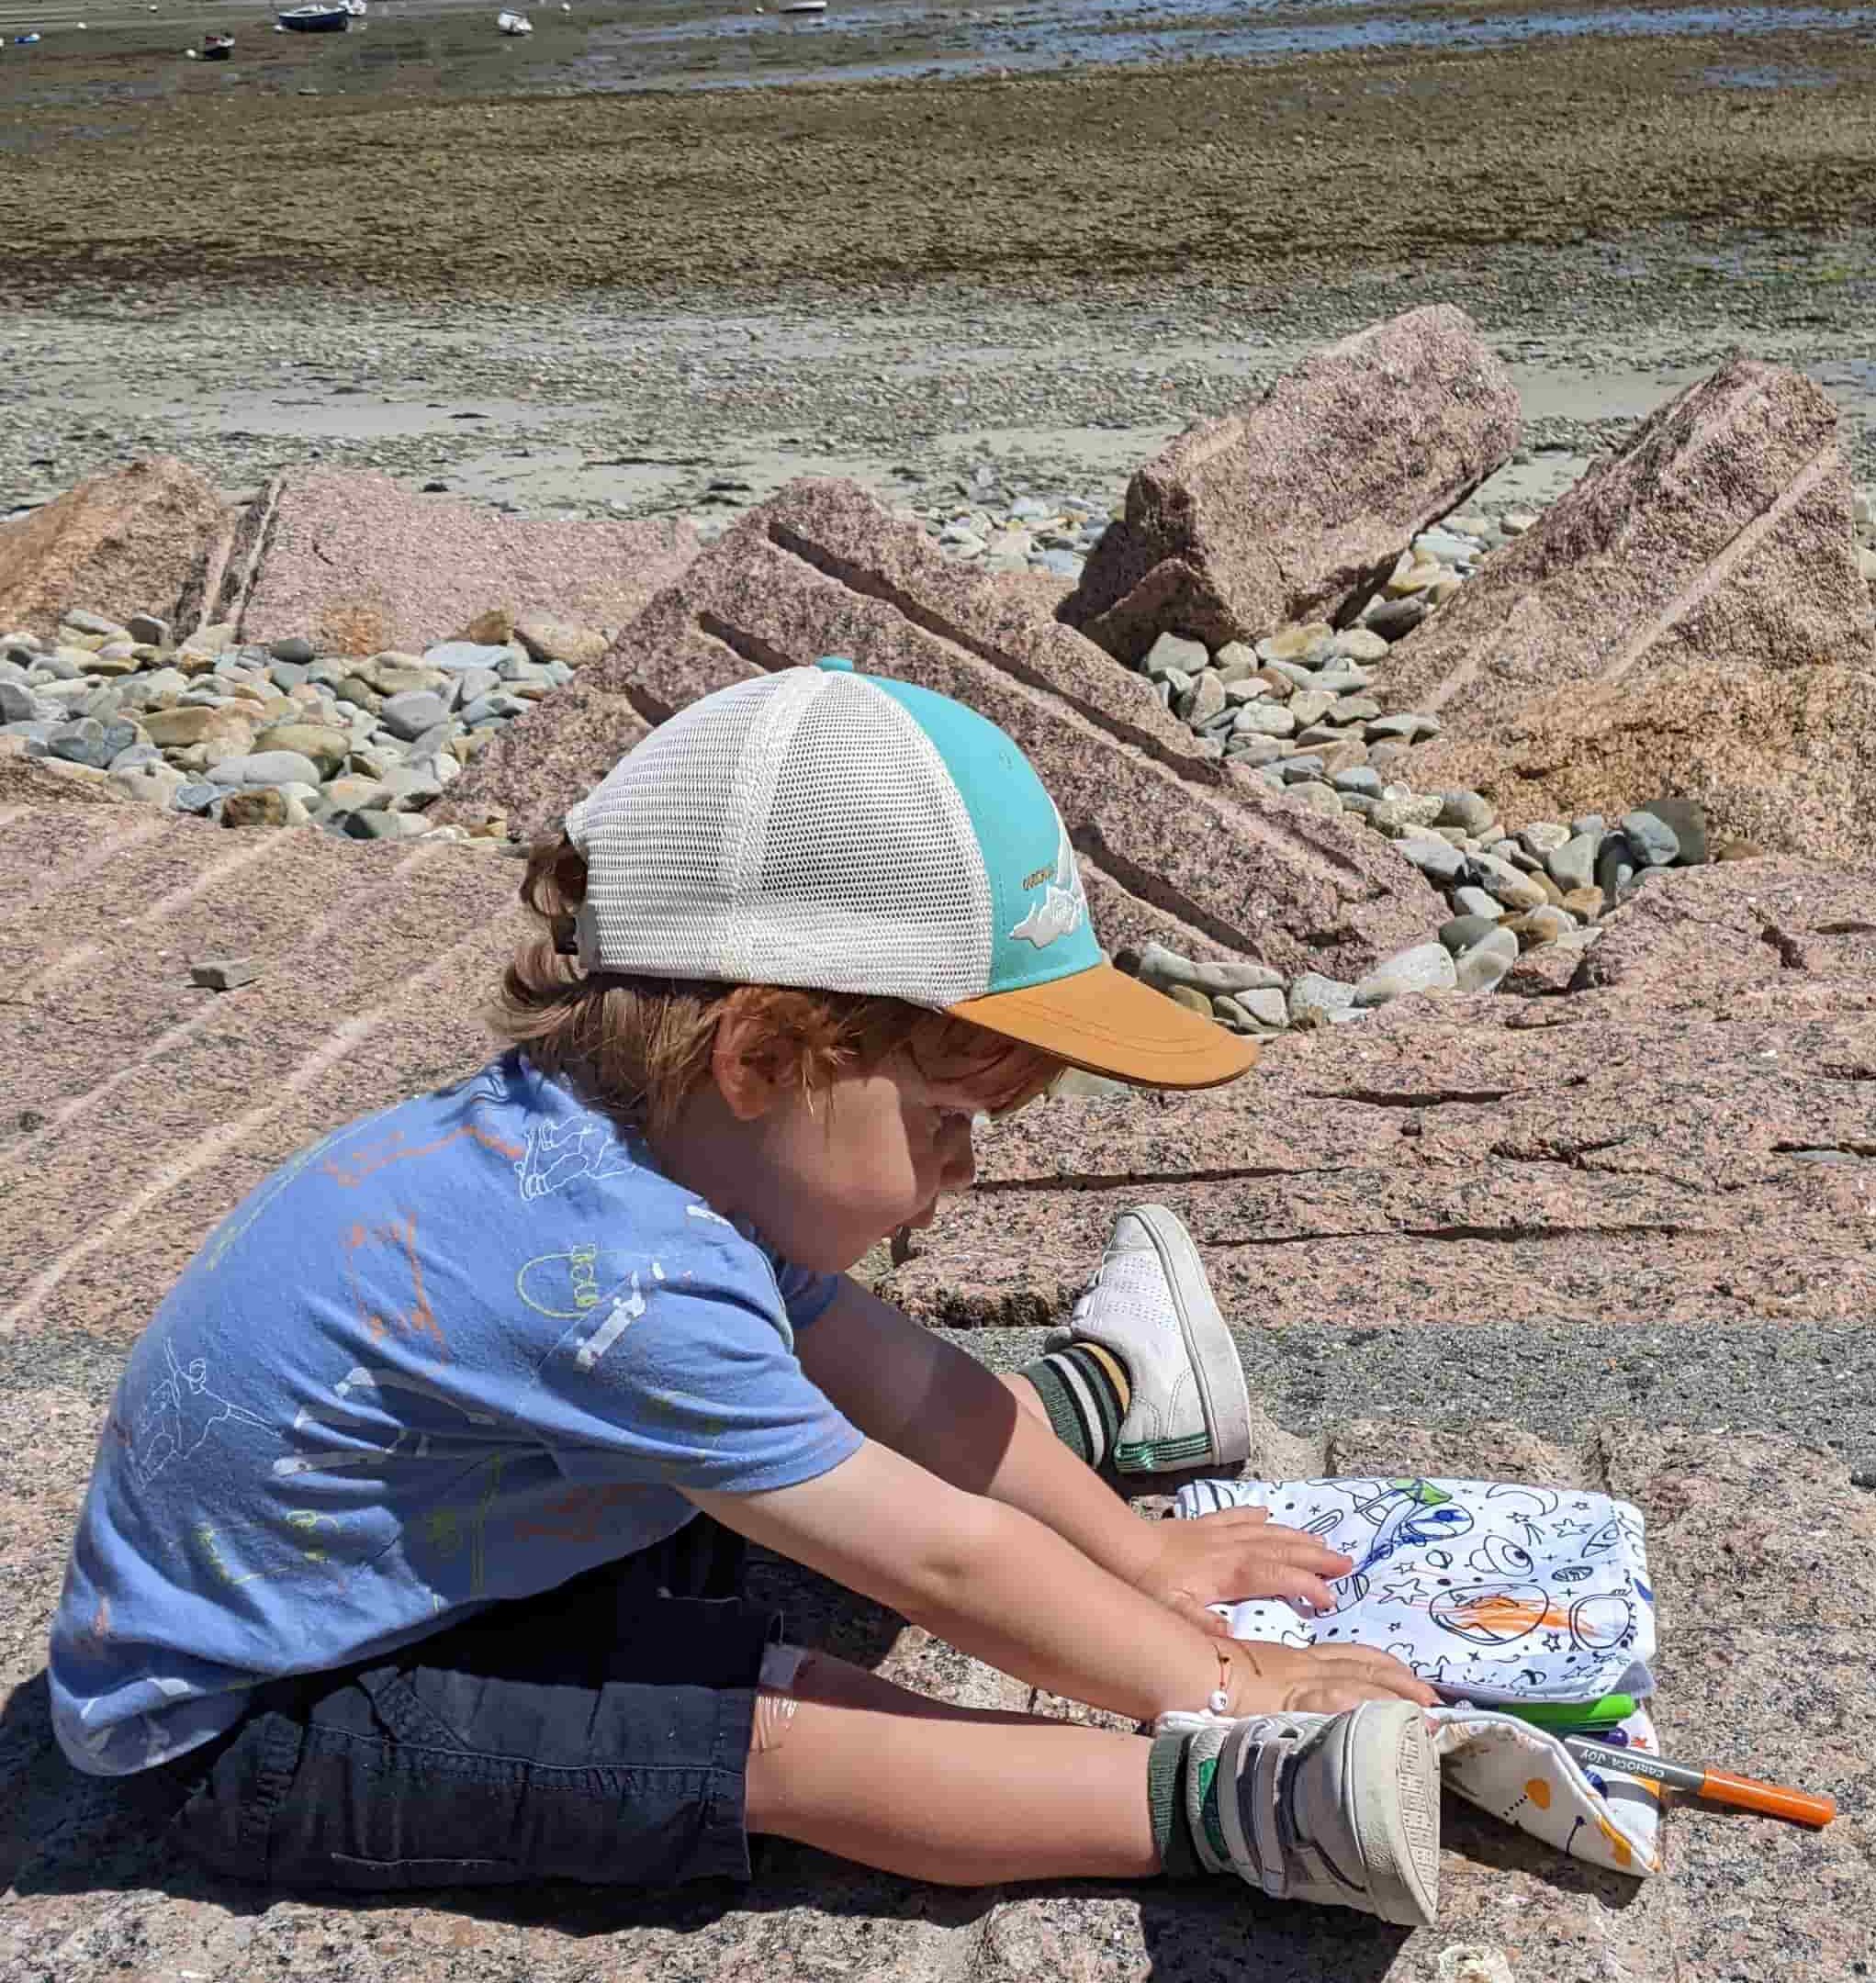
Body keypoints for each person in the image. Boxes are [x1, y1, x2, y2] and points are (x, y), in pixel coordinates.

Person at [48, 658, 1441, 1921]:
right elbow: (944, 1560)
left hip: (461, 1550)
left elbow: (900, 1379)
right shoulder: (621, 1286)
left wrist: (1136, 1560)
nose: (960, 1169)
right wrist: (1233, 1686)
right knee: (765, 1726)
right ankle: (1255, 1807)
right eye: (946, 1117)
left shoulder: (629, 1149)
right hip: (269, 1719)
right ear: (765, 1055)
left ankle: (1096, 1412)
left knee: (814, 1457)